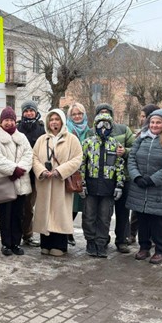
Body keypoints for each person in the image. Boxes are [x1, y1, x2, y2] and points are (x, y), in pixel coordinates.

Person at [126, 109, 162, 264]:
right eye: (152, 122)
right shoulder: (142, 137)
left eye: (158, 122)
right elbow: (131, 158)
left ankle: (160, 250)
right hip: (141, 187)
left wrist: (153, 179)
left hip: (161, 188)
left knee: (160, 221)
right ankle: (144, 247)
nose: (154, 125)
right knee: (143, 219)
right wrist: (137, 176)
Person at [32, 109, 82, 256]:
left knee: (59, 213)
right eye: (51, 119)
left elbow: (77, 158)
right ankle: (45, 244)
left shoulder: (71, 139)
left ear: (62, 121)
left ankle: (59, 245)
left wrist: (60, 171)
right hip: (45, 182)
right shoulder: (42, 139)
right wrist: (42, 171)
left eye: (57, 119)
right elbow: (34, 157)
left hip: (61, 183)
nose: (54, 122)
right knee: (45, 212)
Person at [0, 106, 33, 256]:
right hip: (4, 182)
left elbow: (29, 155)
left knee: (18, 215)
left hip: (20, 181)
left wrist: (20, 170)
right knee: (5, 215)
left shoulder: (22, 137)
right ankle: (6, 244)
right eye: (6, 120)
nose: (9, 123)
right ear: (1, 121)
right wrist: (13, 169)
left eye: (11, 120)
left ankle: (16, 243)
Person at [79, 112, 125, 258]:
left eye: (106, 124)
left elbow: (119, 166)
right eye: (100, 124)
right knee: (89, 216)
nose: (103, 128)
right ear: (95, 126)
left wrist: (119, 185)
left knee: (105, 218)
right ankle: (90, 242)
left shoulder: (115, 144)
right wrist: (82, 184)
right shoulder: (88, 143)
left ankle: (101, 243)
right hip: (91, 187)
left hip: (108, 188)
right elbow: (81, 165)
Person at [93, 103, 135, 253]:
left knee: (123, 211)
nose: (104, 115)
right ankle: (102, 239)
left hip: (122, 177)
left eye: (107, 112)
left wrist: (125, 151)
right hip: (101, 178)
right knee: (102, 213)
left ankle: (122, 240)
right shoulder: (93, 131)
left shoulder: (123, 129)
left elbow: (135, 148)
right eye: (101, 112)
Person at [16, 100, 46, 248]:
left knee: (28, 207)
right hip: (19, 173)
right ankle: (16, 234)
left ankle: (27, 235)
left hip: (34, 175)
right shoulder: (17, 128)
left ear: (36, 111)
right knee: (18, 206)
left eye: (31, 111)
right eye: (26, 111)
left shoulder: (41, 128)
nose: (29, 113)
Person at [128, 103, 159, 244]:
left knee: (153, 211)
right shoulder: (141, 134)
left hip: (155, 179)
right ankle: (132, 234)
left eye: (143, 116)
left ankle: (152, 237)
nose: (141, 119)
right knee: (137, 209)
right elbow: (133, 155)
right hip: (139, 177)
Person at [66, 102, 94, 246]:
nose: (77, 116)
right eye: (74, 114)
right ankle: (66, 231)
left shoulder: (89, 131)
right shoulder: (67, 129)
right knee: (68, 202)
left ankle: (69, 230)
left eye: (79, 114)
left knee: (79, 204)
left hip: (85, 171)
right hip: (70, 170)